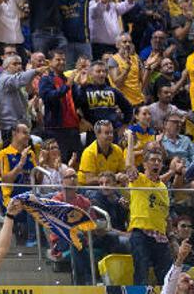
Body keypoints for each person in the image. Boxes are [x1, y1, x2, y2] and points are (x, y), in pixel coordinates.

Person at [125, 130, 174, 285]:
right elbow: (128, 166)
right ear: (145, 164)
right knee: (141, 272)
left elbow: (166, 215)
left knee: (166, 276)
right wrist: (131, 141)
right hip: (141, 234)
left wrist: (172, 238)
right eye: (152, 160)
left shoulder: (163, 187)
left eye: (159, 161)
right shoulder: (138, 180)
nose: (156, 163)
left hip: (160, 237)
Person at [0, 123, 37, 247]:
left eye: (28, 133)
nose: (28, 137)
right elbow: (6, 180)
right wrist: (21, 164)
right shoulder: (4, 154)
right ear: (15, 133)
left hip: (31, 193)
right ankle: (32, 239)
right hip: (12, 198)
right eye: (25, 133)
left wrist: (42, 163)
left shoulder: (31, 154)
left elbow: (37, 179)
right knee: (31, 201)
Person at [78, 120, 126, 186]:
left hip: (110, 186)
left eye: (111, 132)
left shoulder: (118, 149)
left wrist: (122, 176)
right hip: (89, 187)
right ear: (97, 134)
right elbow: (89, 180)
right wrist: (112, 178)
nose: (110, 135)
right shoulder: (89, 152)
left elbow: (122, 171)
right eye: (107, 133)